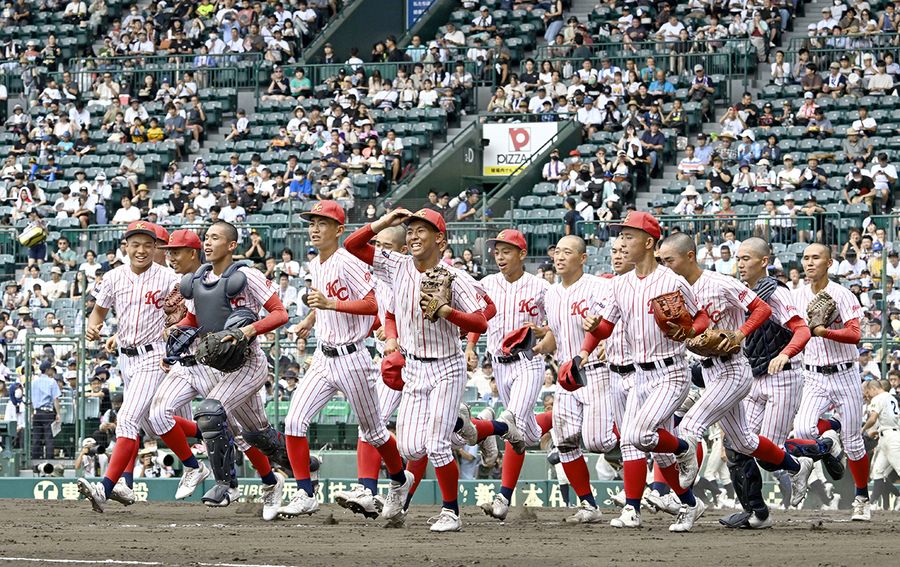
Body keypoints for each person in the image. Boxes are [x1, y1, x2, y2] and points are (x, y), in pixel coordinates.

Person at [344, 208, 490, 532]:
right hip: (413, 368)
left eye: (421, 230)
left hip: (447, 366)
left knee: (437, 445)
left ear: (440, 238)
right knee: (411, 448)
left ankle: (451, 512)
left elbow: (480, 320)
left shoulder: (456, 277)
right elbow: (352, 245)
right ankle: (460, 423)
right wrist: (384, 222)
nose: (412, 235)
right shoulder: (396, 266)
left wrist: (448, 311)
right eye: (410, 230)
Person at [575, 212, 710, 531]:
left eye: (629, 236)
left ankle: (684, 446)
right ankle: (690, 505)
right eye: (620, 236)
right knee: (657, 454)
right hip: (640, 375)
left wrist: (691, 331)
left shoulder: (672, 281)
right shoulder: (620, 285)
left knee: (637, 434)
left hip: (671, 371)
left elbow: (701, 316)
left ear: (649, 243)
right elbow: (606, 328)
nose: (621, 242)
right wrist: (593, 330)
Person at [277, 201, 412, 520]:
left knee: (375, 432)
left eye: (321, 223)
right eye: (311, 222)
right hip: (323, 357)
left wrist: (331, 304)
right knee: (294, 422)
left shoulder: (348, 260)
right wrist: (312, 317)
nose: (314, 227)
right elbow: (324, 299)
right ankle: (305, 494)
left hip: (353, 358)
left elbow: (373, 304)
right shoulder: (317, 263)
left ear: (338, 230)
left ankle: (398, 479)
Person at [165, 221, 289, 508]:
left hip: (248, 361)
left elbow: (280, 314)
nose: (208, 243)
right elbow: (195, 321)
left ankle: (226, 486)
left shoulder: (247, 275)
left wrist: (248, 330)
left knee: (209, 411)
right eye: (206, 238)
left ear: (231, 245)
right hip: (218, 364)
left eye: (215, 238)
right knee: (257, 434)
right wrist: (178, 328)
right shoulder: (198, 280)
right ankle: (304, 463)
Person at [78, 221, 179, 513]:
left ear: (156, 247)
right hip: (125, 356)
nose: (142, 250)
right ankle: (127, 483)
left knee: (127, 419)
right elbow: (98, 313)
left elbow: (181, 315)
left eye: (148, 244)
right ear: (126, 246)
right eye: (135, 244)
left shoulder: (168, 278)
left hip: (154, 355)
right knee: (148, 423)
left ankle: (105, 488)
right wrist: (93, 327)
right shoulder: (112, 278)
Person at [529, 234, 621, 524]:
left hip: (596, 372)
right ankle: (588, 505)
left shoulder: (599, 287)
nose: (559, 257)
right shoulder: (551, 293)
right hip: (567, 378)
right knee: (566, 442)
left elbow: (615, 322)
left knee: (598, 442)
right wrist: (535, 346)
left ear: (582, 258)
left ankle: (634, 430)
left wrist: (610, 341)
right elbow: (555, 335)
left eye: (567, 252)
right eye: (557, 252)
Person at [467, 229, 553, 521]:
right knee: (525, 435)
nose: (499, 257)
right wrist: (470, 347)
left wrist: (541, 333)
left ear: (522, 254)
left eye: (506, 251)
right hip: (499, 365)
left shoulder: (540, 287)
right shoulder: (487, 283)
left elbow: (556, 325)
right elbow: (478, 319)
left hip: (527, 361)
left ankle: (486, 433)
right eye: (497, 251)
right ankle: (558, 418)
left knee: (511, 419)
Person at [791, 244, 872, 521]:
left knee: (854, 443)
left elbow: (855, 334)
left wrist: (824, 331)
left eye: (816, 258)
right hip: (813, 374)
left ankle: (862, 497)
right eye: (806, 258)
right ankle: (831, 440)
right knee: (803, 427)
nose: (810, 262)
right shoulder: (796, 296)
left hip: (845, 373)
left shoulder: (842, 293)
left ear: (829, 263)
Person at [862, 380, 900, 509]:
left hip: (891, 438)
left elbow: (872, 419)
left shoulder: (878, 397)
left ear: (873, 388)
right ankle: (872, 504)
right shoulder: (891, 397)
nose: (869, 395)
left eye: (869, 392)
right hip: (887, 435)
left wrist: (862, 431)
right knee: (878, 472)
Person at [31, 359, 61, 460]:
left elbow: (31, 400)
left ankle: (35, 462)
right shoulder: (52, 382)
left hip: (37, 412)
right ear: (47, 370)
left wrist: (32, 412)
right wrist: (58, 413)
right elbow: (55, 399)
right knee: (49, 438)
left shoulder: (34, 382)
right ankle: (49, 462)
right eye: (51, 369)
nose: (52, 371)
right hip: (47, 413)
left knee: (36, 438)